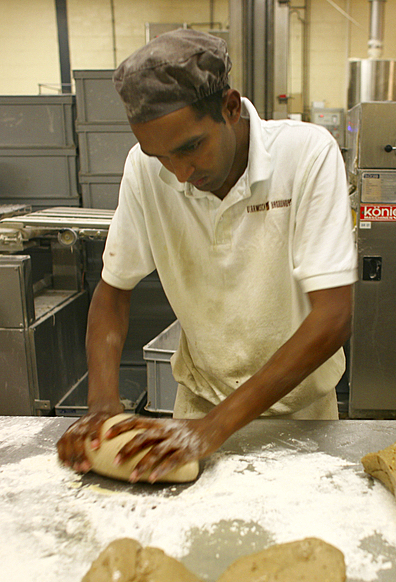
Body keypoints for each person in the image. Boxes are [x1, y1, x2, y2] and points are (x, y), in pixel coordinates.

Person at [56, 29, 356, 482]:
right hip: (197, 406)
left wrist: (217, 427)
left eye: (190, 147)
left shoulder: (306, 156)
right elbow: (113, 291)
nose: (179, 173)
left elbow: (333, 315)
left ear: (230, 107)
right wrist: (102, 407)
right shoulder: (144, 170)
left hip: (302, 412)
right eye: (160, 156)